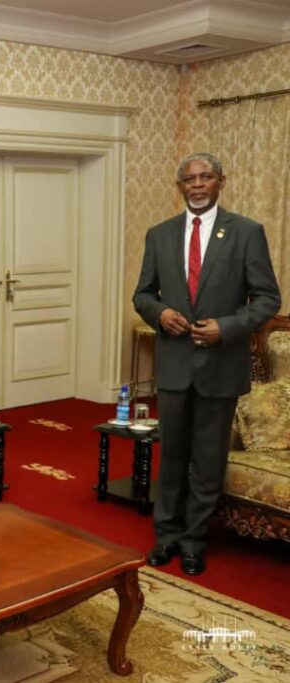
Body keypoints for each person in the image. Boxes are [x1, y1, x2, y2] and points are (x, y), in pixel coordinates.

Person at [133, 153, 280, 576]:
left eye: (206, 177)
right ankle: (166, 536)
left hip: (221, 365)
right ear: (179, 186)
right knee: (172, 456)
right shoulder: (160, 235)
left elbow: (267, 299)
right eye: (190, 179)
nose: (197, 185)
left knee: (208, 459)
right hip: (175, 366)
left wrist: (227, 327)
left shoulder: (246, 232)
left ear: (221, 182)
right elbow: (143, 294)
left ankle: (195, 541)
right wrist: (160, 313)